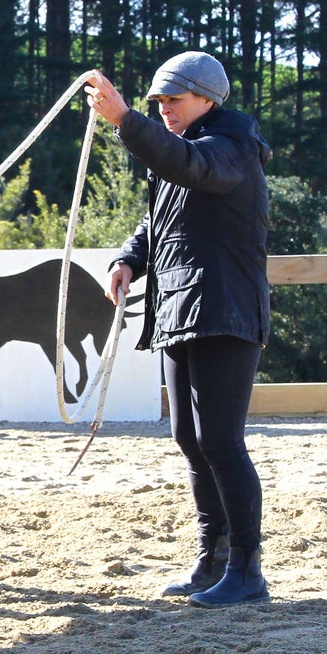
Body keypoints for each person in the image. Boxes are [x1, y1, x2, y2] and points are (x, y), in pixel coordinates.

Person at [83, 51, 272, 606]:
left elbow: (189, 168)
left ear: (207, 100)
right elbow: (159, 218)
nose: (164, 109)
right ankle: (212, 558)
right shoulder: (192, 151)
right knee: (190, 439)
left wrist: (124, 121)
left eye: (175, 99)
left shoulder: (229, 148)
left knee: (221, 441)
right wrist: (129, 259)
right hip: (184, 309)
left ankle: (246, 569)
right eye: (159, 102)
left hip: (224, 311)